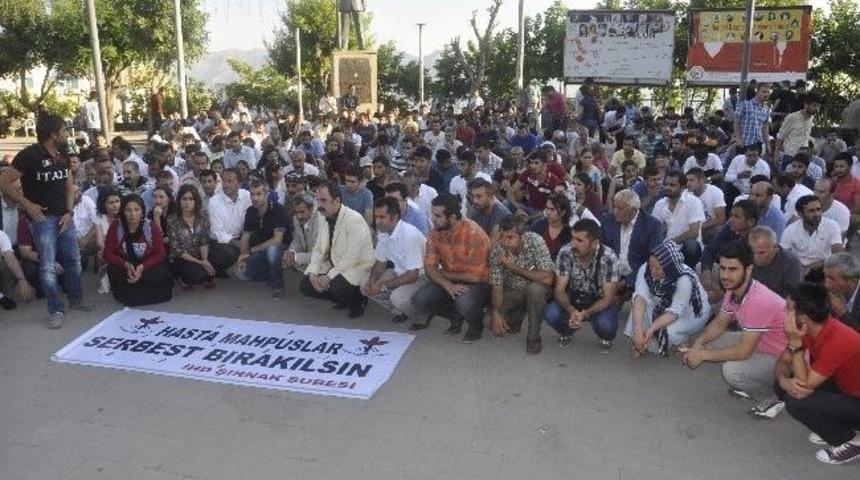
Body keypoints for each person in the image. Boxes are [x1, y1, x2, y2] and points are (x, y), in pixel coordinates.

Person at [0, 113, 92, 329]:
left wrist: (69, 212)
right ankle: (55, 309)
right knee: (48, 266)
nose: (66, 134)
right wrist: (27, 205)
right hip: (42, 220)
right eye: (63, 130)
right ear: (52, 133)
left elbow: (69, 185)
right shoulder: (29, 155)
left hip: (64, 217)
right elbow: (4, 182)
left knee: (73, 260)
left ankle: (76, 301)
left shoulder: (63, 152)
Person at [681, 241, 789, 419]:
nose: (725, 275)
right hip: (758, 342)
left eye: (732, 269)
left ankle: (773, 397)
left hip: (781, 358)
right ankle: (752, 382)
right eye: (722, 268)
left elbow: (743, 351)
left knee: (733, 372)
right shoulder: (734, 289)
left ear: (748, 270)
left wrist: (701, 355)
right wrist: (698, 344)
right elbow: (719, 323)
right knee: (709, 341)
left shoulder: (758, 300)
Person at [775, 282, 860, 465]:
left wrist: (796, 345)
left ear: (803, 318)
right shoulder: (813, 326)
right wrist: (783, 381)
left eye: (788, 308)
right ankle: (836, 424)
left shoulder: (839, 341)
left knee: (797, 402)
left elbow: (804, 386)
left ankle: (850, 441)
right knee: (786, 385)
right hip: (847, 389)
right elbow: (783, 362)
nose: (784, 311)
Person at [412, 193, 491, 342]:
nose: (432, 219)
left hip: (479, 283)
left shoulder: (475, 234)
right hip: (451, 278)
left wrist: (445, 275)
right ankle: (456, 315)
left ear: (453, 217)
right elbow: (430, 268)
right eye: (432, 214)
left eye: (437, 216)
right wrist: (448, 285)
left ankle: (476, 325)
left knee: (464, 301)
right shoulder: (435, 232)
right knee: (419, 300)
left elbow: (475, 276)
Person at [300, 181, 375, 318]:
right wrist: (313, 272)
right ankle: (341, 299)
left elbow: (353, 256)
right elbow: (318, 249)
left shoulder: (354, 219)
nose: (320, 205)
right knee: (306, 285)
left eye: (323, 200)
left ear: (337, 201)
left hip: (357, 266)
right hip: (335, 264)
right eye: (317, 200)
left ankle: (357, 301)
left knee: (337, 286)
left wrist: (328, 276)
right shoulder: (324, 217)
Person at [543, 218, 621, 349]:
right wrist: (571, 310)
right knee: (551, 313)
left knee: (606, 325)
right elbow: (559, 290)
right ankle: (567, 331)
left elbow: (608, 298)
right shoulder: (565, 252)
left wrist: (586, 313)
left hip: (598, 301)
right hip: (573, 298)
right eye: (573, 238)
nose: (573, 244)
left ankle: (604, 337)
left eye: (580, 240)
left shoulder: (608, 257)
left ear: (595, 243)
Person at [625, 241, 710, 357]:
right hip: (664, 303)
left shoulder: (684, 279)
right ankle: (639, 341)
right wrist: (638, 328)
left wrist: (650, 330)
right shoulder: (645, 269)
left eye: (658, 269)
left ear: (669, 267)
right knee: (637, 308)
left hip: (692, 313)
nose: (652, 271)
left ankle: (684, 338)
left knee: (667, 333)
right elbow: (640, 298)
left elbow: (674, 313)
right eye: (651, 266)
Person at [489, 216, 555, 355]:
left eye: (510, 237)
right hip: (514, 290)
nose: (505, 242)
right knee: (490, 323)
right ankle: (517, 316)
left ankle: (533, 338)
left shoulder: (534, 240)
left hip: (537, 288)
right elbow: (497, 285)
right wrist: (496, 312)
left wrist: (513, 268)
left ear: (522, 236)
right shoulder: (497, 250)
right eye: (502, 237)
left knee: (535, 290)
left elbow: (548, 278)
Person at [362, 197, 427, 324]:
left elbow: (413, 276)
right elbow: (381, 263)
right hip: (399, 272)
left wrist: (383, 285)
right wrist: (372, 281)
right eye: (376, 217)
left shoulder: (409, 235)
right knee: (365, 286)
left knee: (397, 298)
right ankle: (402, 311)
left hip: (422, 276)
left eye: (382, 217)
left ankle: (422, 316)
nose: (377, 221)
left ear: (395, 217)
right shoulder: (384, 232)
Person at [103, 194, 173, 306]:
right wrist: (125, 265)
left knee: (158, 274)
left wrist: (142, 267)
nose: (133, 214)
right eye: (128, 210)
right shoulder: (116, 226)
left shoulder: (150, 227)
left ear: (142, 211)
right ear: (123, 212)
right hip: (126, 263)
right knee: (115, 271)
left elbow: (160, 254)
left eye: (137, 209)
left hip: (147, 264)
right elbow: (107, 253)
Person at [601, 189, 664, 292]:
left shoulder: (652, 226)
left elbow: (653, 261)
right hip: (611, 278)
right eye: (614, 206)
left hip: (639, 280)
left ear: (634, 210)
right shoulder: (608, 221)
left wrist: (627, 282)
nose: (615, 211)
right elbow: (603, 252)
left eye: (620, 208)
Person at [236, 180, 289, 298]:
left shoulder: (277, 209)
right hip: (260, 251)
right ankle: (272, 272)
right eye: (252, 194)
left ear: (267, 194)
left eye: (258, 194)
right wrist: (242, 256)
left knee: (272, 250)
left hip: (281, 249)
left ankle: (278, 285)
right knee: (241, 274)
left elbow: (277, 240)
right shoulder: (251, 211)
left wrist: (251, 251)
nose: (255, 198)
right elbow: (245, 236)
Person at [701, 200, 759, 297]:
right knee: (700, 267)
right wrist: (706, 271)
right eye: (731, 215)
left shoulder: (757, 240)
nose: (731, 219)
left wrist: (722, 293)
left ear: (751, 222)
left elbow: (752, 274)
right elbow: (710, 249)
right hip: (726, 273)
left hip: (747, 285)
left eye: (736, 217)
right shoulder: (729, 229)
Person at [780, 195, 843, 282]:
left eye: (818, 209)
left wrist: (811, 267)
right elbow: (782, 255)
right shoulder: (790, 230)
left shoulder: (832, 226)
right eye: (811, 211)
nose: (817, 214)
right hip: (798, 268)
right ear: (800, 214)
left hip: (824, 267)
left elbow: (837, 255)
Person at [652, 171, 705, 268]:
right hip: (667, 248)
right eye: (666, 184)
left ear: (682, 187)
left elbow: (694, 232)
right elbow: (654, 230)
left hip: (686, 247)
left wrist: (670, 243)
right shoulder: (660, 204)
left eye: (672, 185)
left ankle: (688, 272)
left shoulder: (693, 202)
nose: (668, 187)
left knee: (691, 245)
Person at [167, 184, 215, 290]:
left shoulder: (203, 217)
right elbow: (177, 249)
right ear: (179, 201)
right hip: (181, 258)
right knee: (196, 276)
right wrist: (200, 263)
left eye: (191, 199)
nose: (187, 202)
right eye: (184, 199)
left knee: (219, 258)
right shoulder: (172, 220)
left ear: (196, 201)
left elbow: (204, 241)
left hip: (199, 254)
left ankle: (207, 273)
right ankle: (183, 278)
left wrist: (205, 260)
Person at [207, 168, 251, 277]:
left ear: (239, 184)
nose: (225, 185)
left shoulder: (247, 196)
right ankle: (222, 270)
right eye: (223, 181)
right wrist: (239, 244)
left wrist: (244, 241)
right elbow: (218, 233)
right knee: (227, 254)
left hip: (242, 236)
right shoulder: (214, 202)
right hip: (220, 242)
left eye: (230, 181)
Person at [748, 226, 803, 298]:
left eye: (761, 253)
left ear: (775, 248)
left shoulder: (791, 263)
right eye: (753, 252)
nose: (755, 257)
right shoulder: (744, 257)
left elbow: (792, 296)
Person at [282, 192, 320, 274]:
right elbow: (297, 240)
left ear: (311, 209)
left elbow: (322, 255)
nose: (298, 216)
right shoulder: (296, 218)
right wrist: (291, 251)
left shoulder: (321, 222)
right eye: (296, 212)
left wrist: (296, 257)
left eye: (302, 212)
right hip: (304, 265)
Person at [686, 167, 726, 244]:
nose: (688, 183)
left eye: (691, 180)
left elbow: (721, 219)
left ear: (701, 181)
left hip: (710, 227)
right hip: (691, 230)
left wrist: (699, 227)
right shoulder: (685, 194)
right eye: (687, 180)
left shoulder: (716, 192)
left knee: (719, 229)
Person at [531, 192, 573, 261]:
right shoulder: (538, 225)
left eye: (552, 209)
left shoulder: (569, 234)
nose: (548, 212)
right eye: (547, 208)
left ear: (563, 212)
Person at [823, 253, 860, 330]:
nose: (826, 284)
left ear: (852, 281)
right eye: (825, 276)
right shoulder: (830, 292)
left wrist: (843, 313)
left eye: (832, 279)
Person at [0, 228, 35, 309]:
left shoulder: (1, 235)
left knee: (6, 264)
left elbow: (10, 258)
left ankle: (8, 291)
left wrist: (22, 280)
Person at [449, 151, 492, 216]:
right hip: (464, 215)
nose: (459, 168)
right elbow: (454, 203)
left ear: (472, 166)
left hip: (483, 213)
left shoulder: (485, 178)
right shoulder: (455, 180)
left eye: (462, 165)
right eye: (458, 164)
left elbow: (486, 202)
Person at [733, 83, 771, 151]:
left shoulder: (767, 109)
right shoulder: (745, 104)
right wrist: (738, 139)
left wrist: (767, 145)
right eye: (764, 92)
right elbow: (736, 122)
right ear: (757, 92)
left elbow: (765, 128)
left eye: (768, 92)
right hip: (744, 143)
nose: (766, 94)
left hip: (758, 145)